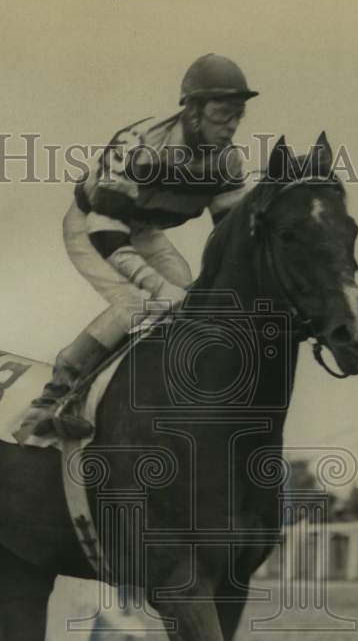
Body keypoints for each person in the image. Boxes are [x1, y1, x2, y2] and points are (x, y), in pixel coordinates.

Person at [16, 54, 258, 442]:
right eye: (222, 114)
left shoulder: (227, 161)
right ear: (193, 111)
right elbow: (105, 228)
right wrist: (156, 286)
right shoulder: (141, 143)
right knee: (136, 304)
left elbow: (232, 238)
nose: (231, 126)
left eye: (238, 116)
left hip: (143, 232)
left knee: (189, 303)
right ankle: (48, 402)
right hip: (95, 224)